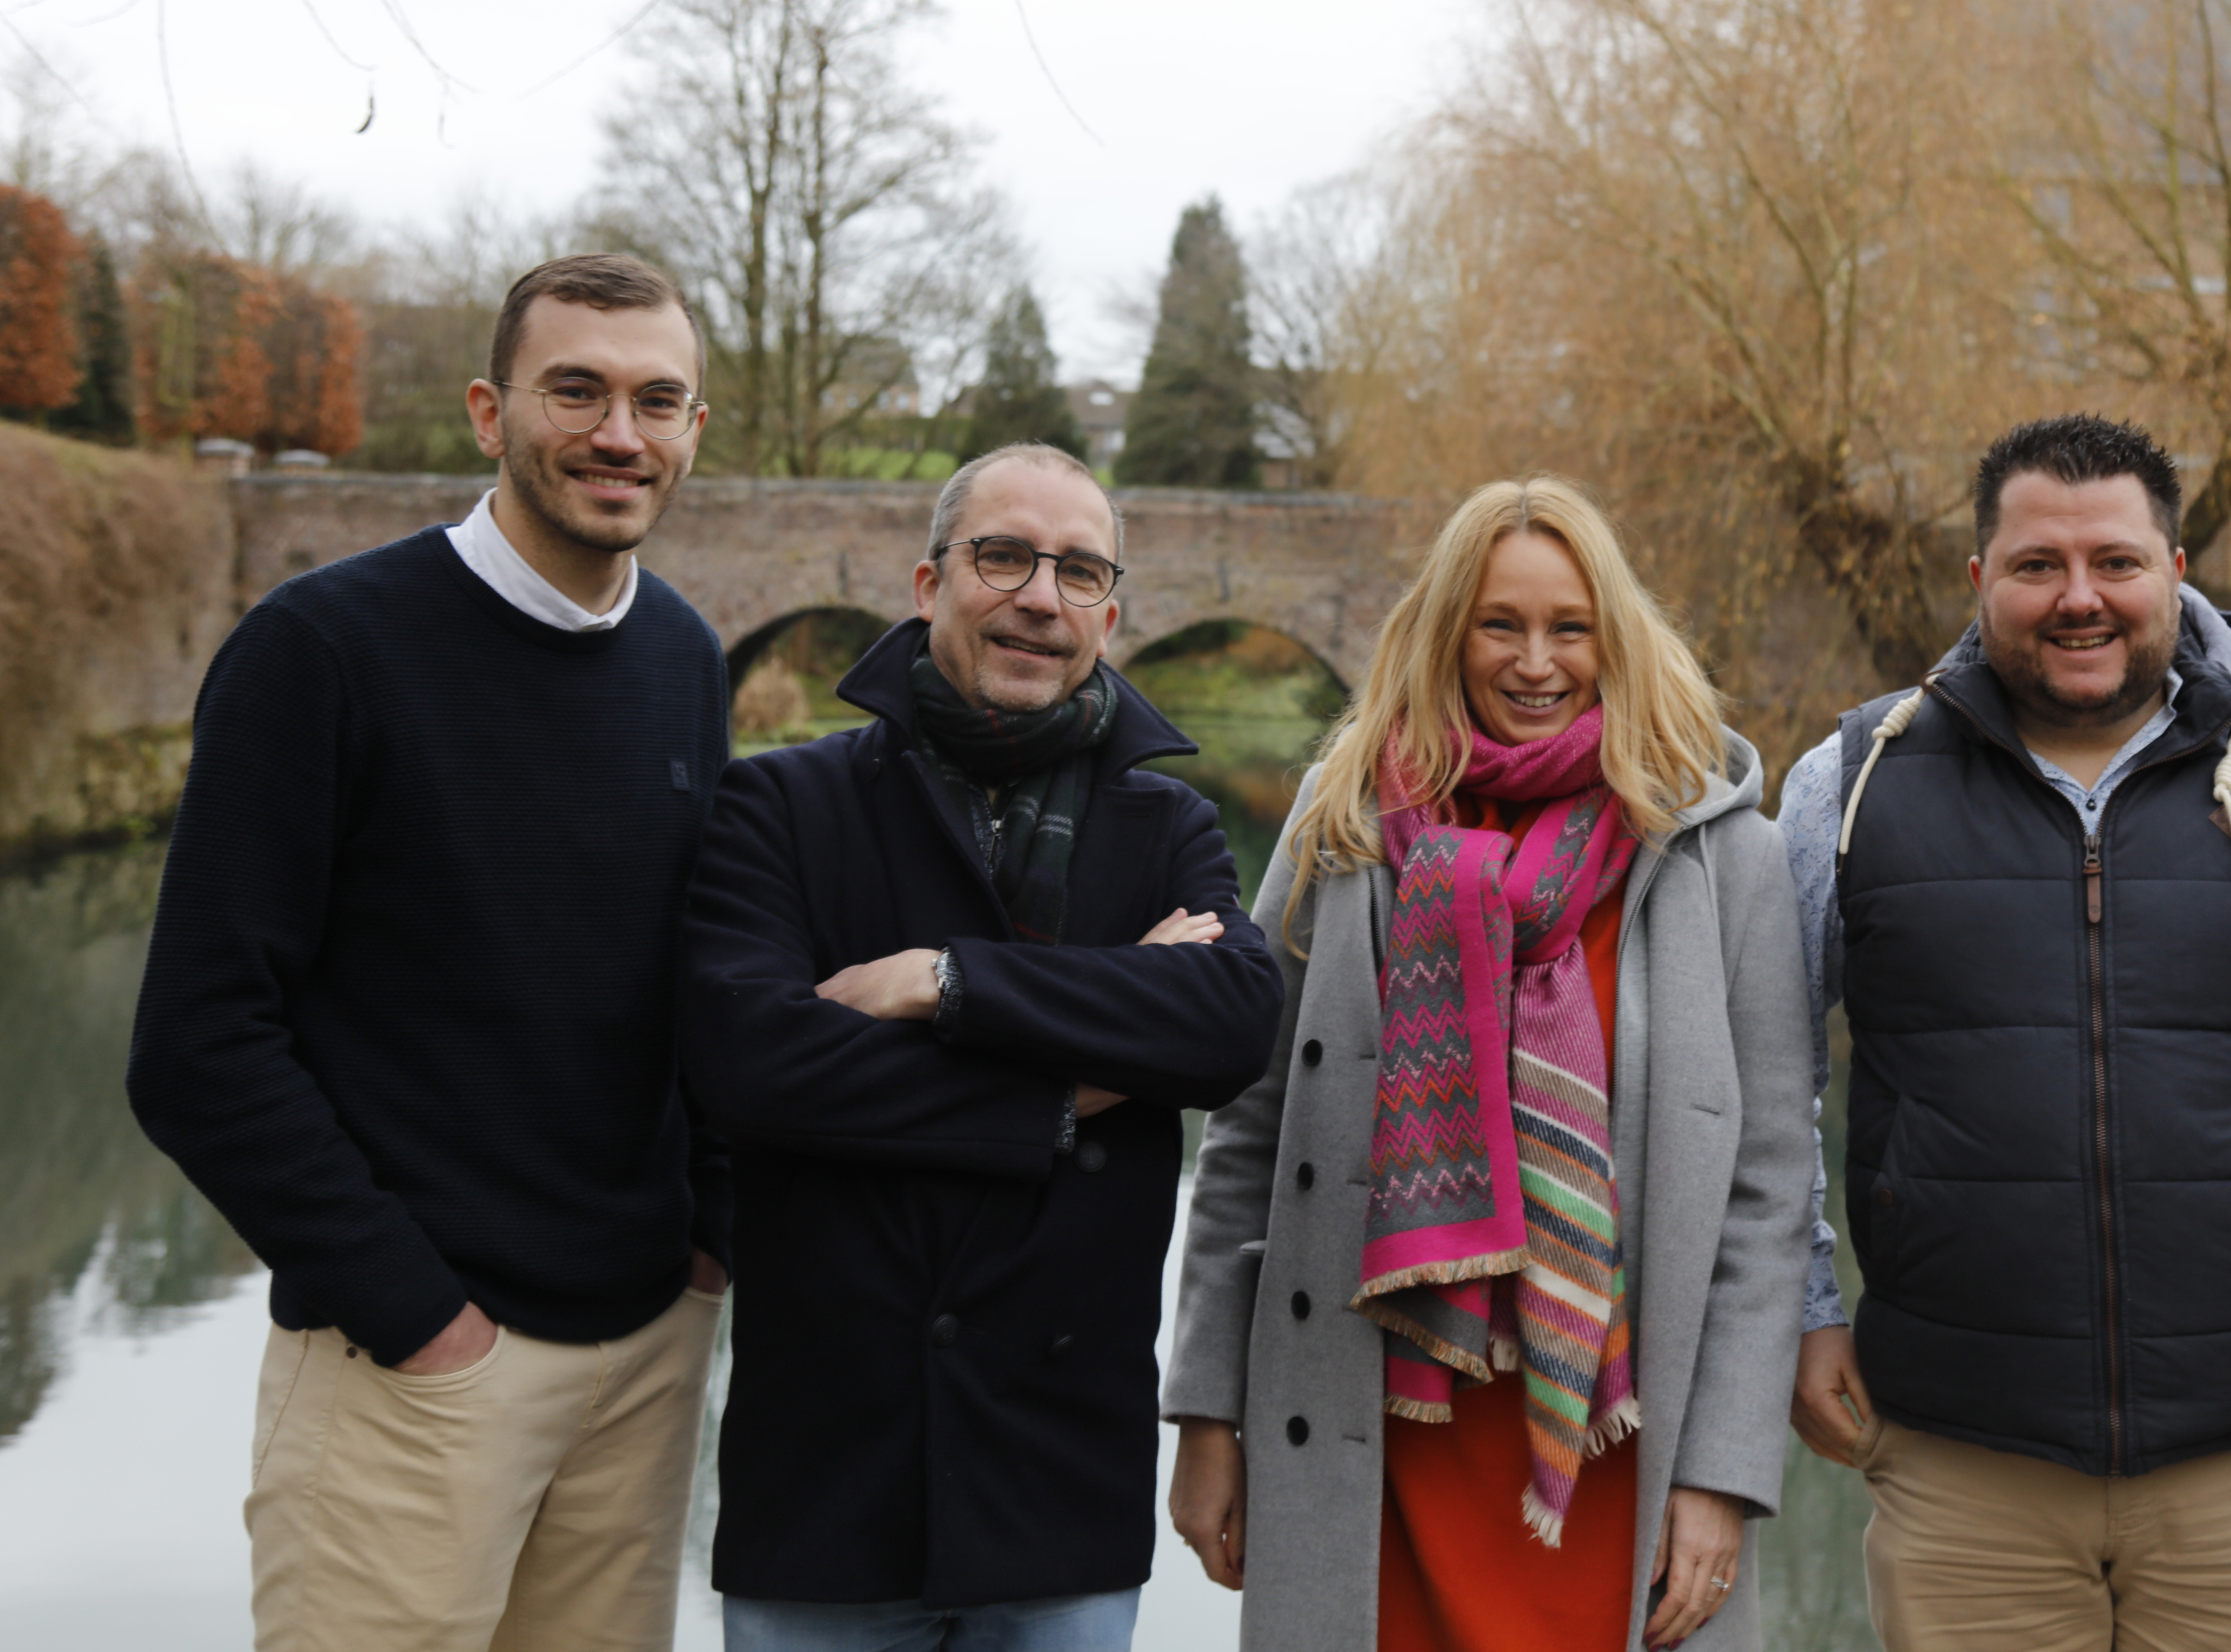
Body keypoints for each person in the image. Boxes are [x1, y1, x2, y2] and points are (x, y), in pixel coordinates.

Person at [125, 254, 732, 1652]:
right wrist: (417, 1316)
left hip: (642, 1356)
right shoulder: (323, 652)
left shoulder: (685, 658)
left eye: (658, 399)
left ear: (697, 428)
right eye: (574, 389)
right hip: (413, 1370)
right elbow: (199, 1046)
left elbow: (686, 983)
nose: (618, 435)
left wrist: (708, 1237)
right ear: (487, 411)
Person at [1776, 414, 2231, 1650]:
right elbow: (1767, 1083)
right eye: (2038, 566)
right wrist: (1806, 1309)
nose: (2081, 599)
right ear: (1981, 581)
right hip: (1965, 1461)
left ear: (2177, 573)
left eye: (2117, 563)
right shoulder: (1852, 781)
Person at [1161, 476, 1813, 1652]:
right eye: (1500, 624)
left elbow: (1770, 1194)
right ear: (1446, 630)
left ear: (1615, 638)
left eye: (1571, 627)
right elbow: (1247, 1137)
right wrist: (1207, 1411)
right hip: (1374, 1429)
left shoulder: (1724, 855)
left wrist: (1722, 1474)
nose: (1536, 662)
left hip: (1616, 1442)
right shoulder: (1343, 825)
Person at [676, 441, 1284, 1651]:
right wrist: (1071, 1089)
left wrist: (940, 983)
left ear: (1110, 614)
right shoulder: (783, 806)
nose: (1039, 598)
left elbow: (1225, 1027)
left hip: (1057, 1474)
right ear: (927, 583)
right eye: (1002, 557)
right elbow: (753, 1064)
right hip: (828, 1481)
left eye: (1078, 572)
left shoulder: (1167, 822)